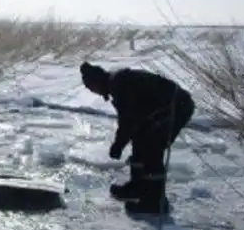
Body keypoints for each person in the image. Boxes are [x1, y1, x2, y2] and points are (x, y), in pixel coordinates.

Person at [79, 61, 194, 215]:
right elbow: (133, 119)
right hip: (161, 110)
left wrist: (118, 145)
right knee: (140, 142)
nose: (93, 92)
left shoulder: (120, 84)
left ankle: (155, 202)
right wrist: (121, 141)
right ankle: (137, 188)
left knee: (152, 151)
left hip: (177, 107)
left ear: (97, 82)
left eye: (90, 87)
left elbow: (128, 120)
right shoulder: (117, 83)